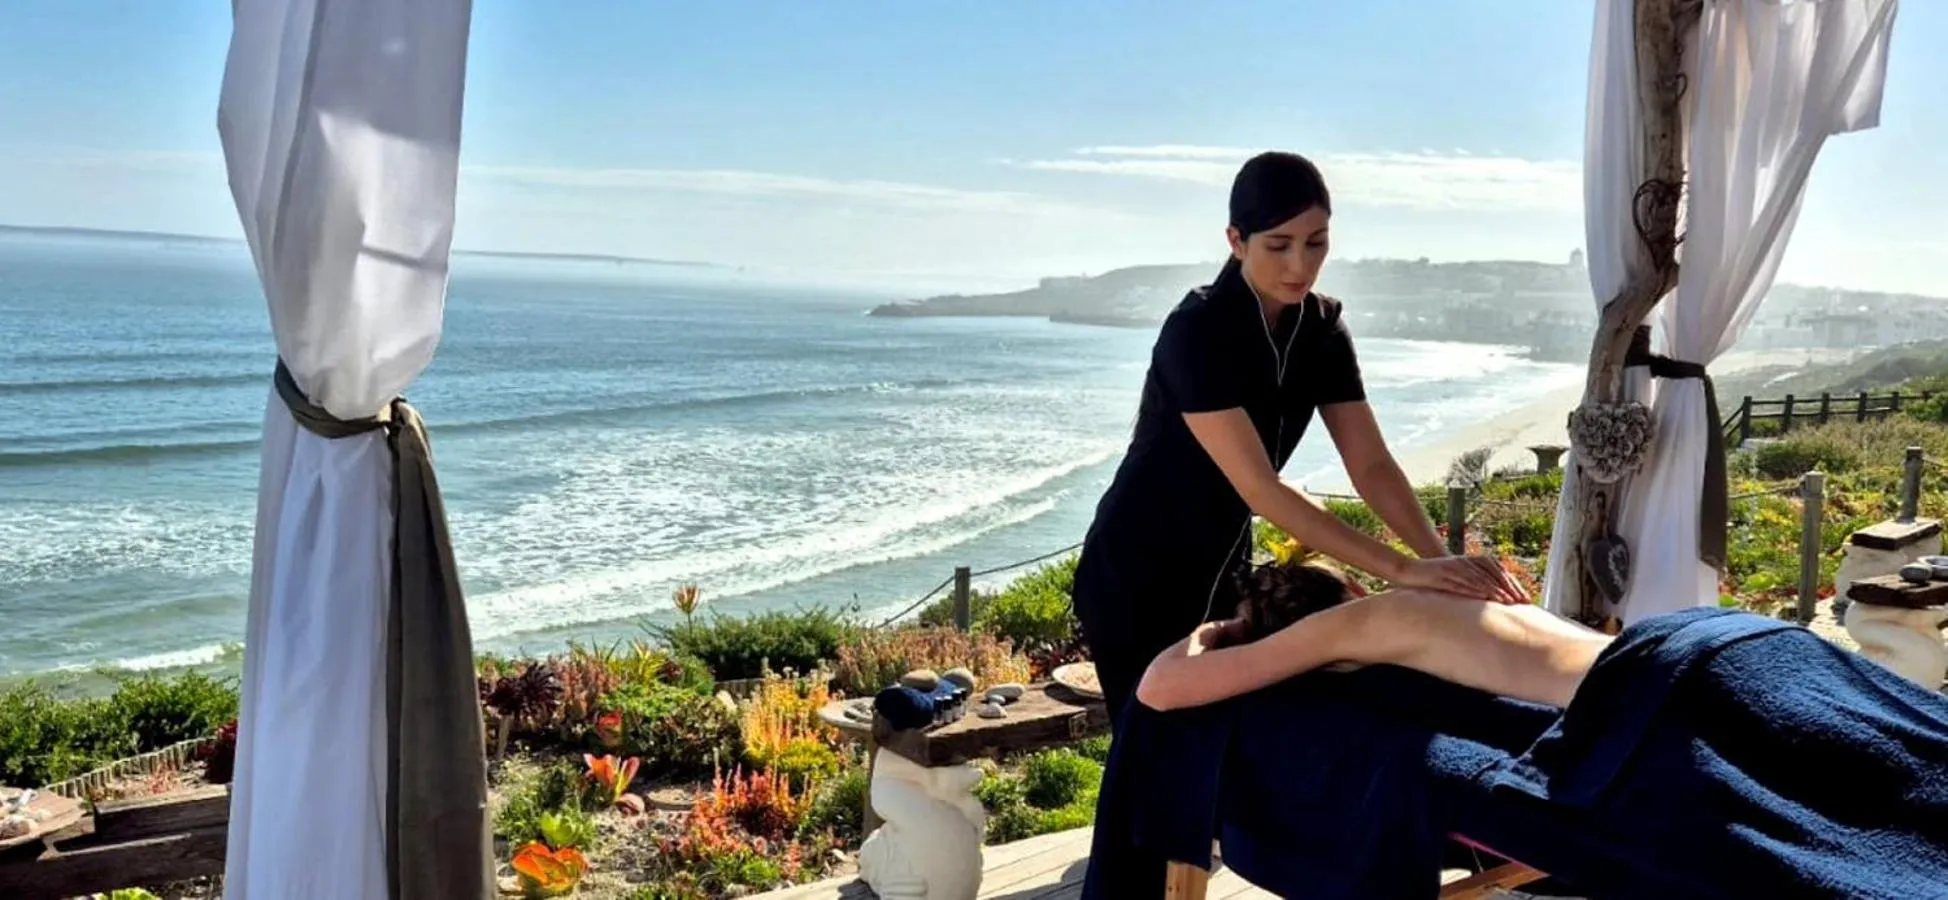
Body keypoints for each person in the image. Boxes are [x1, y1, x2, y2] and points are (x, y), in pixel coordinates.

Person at [1071, 149, 1527, 728]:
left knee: (1223, 750)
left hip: (1223, 568)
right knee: (1153, 749)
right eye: (1278, 245)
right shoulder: (1197, 331)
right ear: (1236, 241)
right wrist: (1401, 571)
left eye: (1316, 243)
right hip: (1135, 573)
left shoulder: (1322, 331)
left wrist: (1443, 566)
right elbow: (1261, 489)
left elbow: (1371, 464)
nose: (1300, 265)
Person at [1136, 559, 1609, 711]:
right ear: (1355, 586)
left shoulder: (1347, 626)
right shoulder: (1438, 591)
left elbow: (1157, 687)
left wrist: (1221, 628)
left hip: (1621, 697)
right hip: (1625, 654)